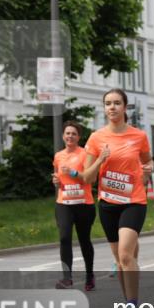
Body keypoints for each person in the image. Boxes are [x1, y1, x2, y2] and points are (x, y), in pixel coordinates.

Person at [81, 89, 154, 308]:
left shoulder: (139, 136)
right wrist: (101, 159)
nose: (112, 107)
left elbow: (147, 161)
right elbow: (86, 177)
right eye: (108, 104)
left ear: (125, 107)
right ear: (104, 108)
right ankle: (129, 305)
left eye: (117, 103)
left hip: (133, 201)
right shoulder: (95, 138)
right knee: (121, 262)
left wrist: (147, 170)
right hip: (108, 204)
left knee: (125, 255)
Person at [51, 121, 96, 291]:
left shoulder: (85, 154)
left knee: (84, 240)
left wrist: (73, 173)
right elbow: (57, 176)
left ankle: (90, 275)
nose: (70, 136)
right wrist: (55, 180)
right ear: (63, 136)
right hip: (64, 203)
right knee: (64, 238)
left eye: (74, 134)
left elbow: (89, 178)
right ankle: (67, 277)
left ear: (79, 137)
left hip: (83, 203)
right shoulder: (58, 156)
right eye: (67, 133)